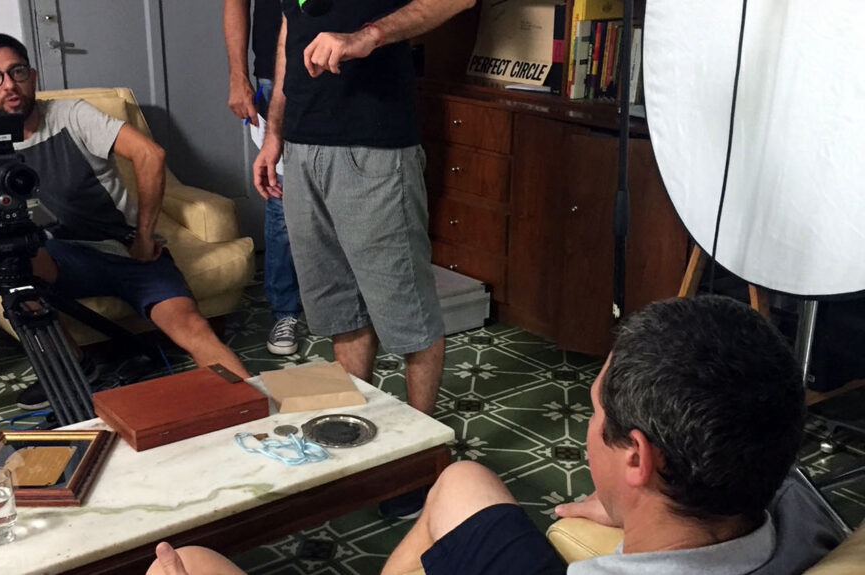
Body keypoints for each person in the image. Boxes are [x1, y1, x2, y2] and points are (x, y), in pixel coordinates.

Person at [146, 296, 847, 575]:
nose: (589, 429)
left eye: (595, 414)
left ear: (638, 455)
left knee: (190, 564)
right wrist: (641, 506)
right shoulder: (798, 505)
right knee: (462, 479)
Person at [252, 0, 476, 519]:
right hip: (302, 148)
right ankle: (359, 445)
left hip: (373, 147)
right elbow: (288, 38)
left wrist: (367, 36)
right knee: (341, 312)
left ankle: (419, 465)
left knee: (408, 314)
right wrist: (274, 133)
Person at [0, 34, 250, 409]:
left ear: (32, 76)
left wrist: (144, 236)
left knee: (193, 328)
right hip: (63, 257)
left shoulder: (71, 115)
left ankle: (257, 413)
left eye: (17, 72)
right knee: (14, 264)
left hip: (127, 251)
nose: (9, 85)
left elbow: (149, 155)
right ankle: (74, 364)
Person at [223, 0, 302, 356]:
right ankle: (285, 311)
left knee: (342, 193)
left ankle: (347, 308)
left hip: (341, 69)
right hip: (273, 72)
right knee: (281, 194)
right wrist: (237, 76)